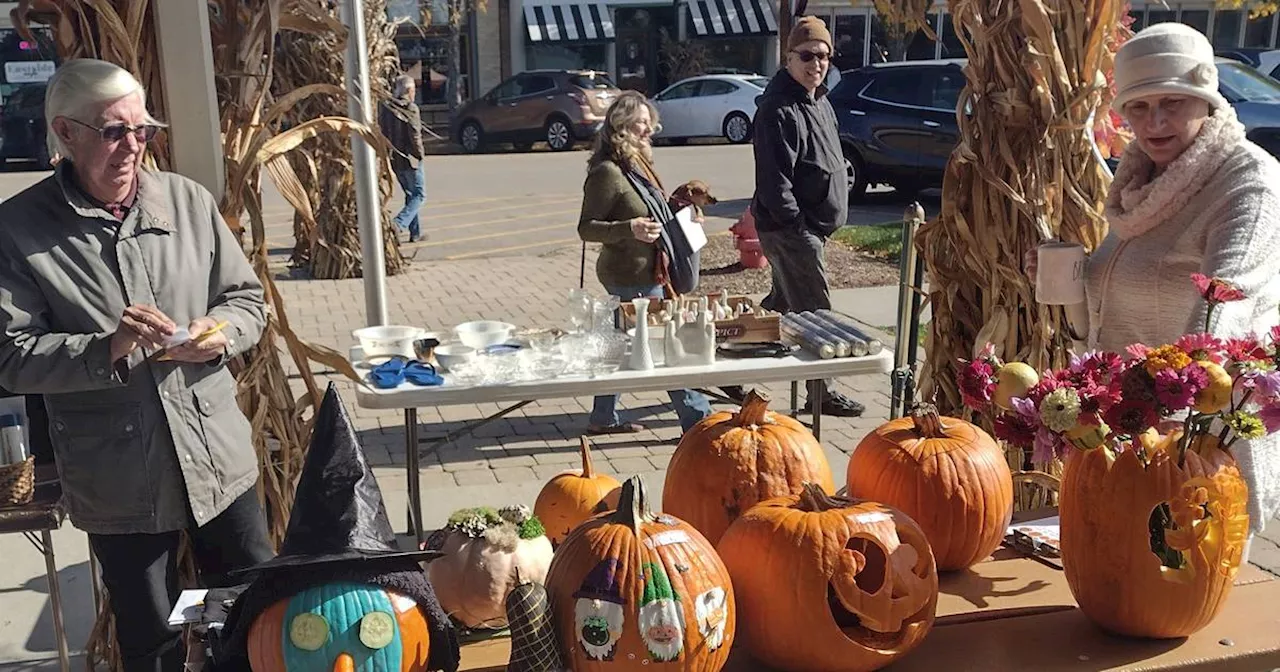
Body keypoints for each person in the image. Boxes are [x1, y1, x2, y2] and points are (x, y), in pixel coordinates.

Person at [0, 58, 274, 671]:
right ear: (65, 134)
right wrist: (107, 349)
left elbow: (247, 299)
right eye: (113, 132)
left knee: (253, 616)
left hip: (216, 459)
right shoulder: (17, 230)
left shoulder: (186, 200)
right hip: (118, 477)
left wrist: (218, 334)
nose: (132, 146)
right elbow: (11, 357)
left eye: (143, 129)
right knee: (152, 636)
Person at [1026, 23, 1280, 561]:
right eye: (1138, 107)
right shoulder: (1142, 179)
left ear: (1206, 99)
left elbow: (1222, 309)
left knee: (1180, 586)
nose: (1154, 122)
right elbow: (1098, 314)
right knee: (1112, 584)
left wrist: (1177, 425)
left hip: (1198, 442)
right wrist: (1066, 282)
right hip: (1127, 431)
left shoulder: (1247, 183)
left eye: (1173, 102)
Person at [576, 91, 713, 435]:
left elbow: (654, 208)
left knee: (624, 344)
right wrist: (629, 229)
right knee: (666, 346)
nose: (650, 131)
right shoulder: (607, 172)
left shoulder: (635, 165)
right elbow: (586, 228)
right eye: (642, 125)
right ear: (621, 127)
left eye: (651, 125)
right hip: (630, 277)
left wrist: (683, 212)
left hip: (649, 271)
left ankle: (603, 417)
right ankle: (698, 420)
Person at [751, 15, 865, 418]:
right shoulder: (777, 110)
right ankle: (822, 393)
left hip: (812, 228)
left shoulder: (819, 100)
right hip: (791, 231)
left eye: (824, 56)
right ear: (788, 58)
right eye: (808, 56)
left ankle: (727, 352)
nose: (817, 64)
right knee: (817, 314)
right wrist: (798, 227)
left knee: (780, 308)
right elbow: (773, 182)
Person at [379, 73, 427, 243]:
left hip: (395, 159)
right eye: (413, 90)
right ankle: (398, 225)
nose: (414, 93)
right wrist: (420, 155)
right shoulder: (410, 108)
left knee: (410, 193)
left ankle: (415, 232)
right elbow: (415, 135)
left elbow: (382, 132)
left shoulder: (387, 108)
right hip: (410, 159)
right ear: (408, 90)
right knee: (420, 195)